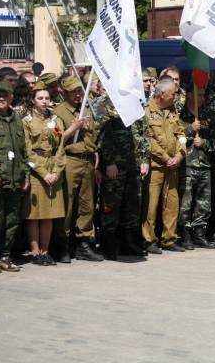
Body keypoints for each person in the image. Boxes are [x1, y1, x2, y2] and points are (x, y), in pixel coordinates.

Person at [53, 76, 103, 263]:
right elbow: (55, 140)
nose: (77, 95)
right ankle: (62, 244)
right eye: (73, 91)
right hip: (70, 160)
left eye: (79, 91)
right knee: (68, 203)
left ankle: (84, 242)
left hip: (87, 160)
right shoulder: (59, 112)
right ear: (65, 92)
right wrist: (73, 128)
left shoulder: (87, 110)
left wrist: (95, 156)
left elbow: (93, 137)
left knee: (87, 205)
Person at [95, 90, 147, 260]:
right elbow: (103, 137)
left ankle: (128, 243)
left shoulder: (133, 106)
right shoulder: (106, 106)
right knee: (111, 204)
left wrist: (143, 158)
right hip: (115, 166)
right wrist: (109, 162)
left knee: (131, 205)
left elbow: (142, 135)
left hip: (132, 163)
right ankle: (108, 244)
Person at [0, 81, 28, 273]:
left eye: (5, 95)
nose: (1, 98)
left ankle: (5, 256)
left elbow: (23, 150)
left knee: (12, 221)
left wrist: (25, 174)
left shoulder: (16, 118)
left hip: (15, 178)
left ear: (12, 97)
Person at [23, 83, 66, 266]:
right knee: (34, 214)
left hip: (53, 167)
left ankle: (45, 250)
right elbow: (27, 150)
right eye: (40, 98)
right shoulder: (27, 121)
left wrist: (55, 171)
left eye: (47, 98)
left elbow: (61, 147)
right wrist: (43, 172)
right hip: (36, 170)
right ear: (33, 100)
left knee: (49, 213)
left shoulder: (56, 119)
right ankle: (35, 252)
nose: (44, 101)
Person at [142, 78, 186, 254]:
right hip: (156, 166)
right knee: (151, 205)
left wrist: (180, 155)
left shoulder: (173, 110)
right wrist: (166, 157)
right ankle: (149, 240)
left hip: (173, 166)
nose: (175, 96)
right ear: (161, 94)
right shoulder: (147, 110)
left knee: (172, 203)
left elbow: (181, 134)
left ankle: (169, 238)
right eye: (173, 94)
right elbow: (148, 139)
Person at [178, 88, 215, 249]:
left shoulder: (206, 116)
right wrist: (190, 129)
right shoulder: (181, 115)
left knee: (203, 202)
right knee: (186, 202)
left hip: (204, 165)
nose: (202, 98)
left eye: (203, 95)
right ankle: (184, 234)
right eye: (198, 94)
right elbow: (176, 139)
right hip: (187, 164)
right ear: (189, 95)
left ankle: (199, 233)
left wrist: (205, 143)